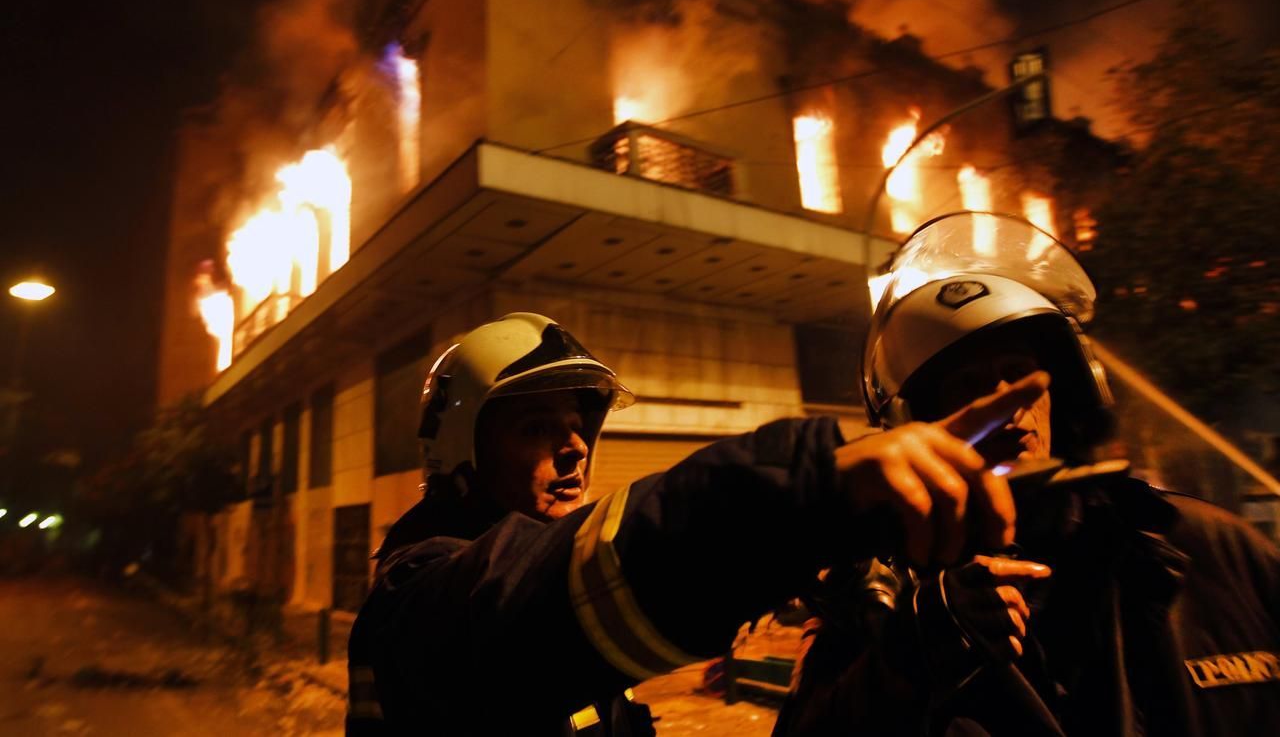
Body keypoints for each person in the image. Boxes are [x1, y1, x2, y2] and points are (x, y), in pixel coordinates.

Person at [345, 311, 1038, 735]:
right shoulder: (418, 596)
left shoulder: (541, 581)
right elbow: (538, 594)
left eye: (579, 424)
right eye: (535, 426)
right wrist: (796, 498)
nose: (575, 445)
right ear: (463, 449)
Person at [774, 213, 1280, 737]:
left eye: (1018, 374)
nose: (1005, 404)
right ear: (917, 425)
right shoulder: (876, 596)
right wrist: (911, 656)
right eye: (970, 385)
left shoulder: (1215, 550)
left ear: (1069, 393)